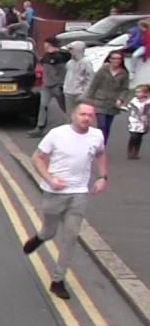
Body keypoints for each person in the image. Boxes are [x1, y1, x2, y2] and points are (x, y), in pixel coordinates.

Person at [22, 101, 108, 300]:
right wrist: (50, 179)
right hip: (55, 193)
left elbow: (101, 154)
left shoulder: (96, 136)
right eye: (82, 114)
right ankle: (41, 237)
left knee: (71, 237)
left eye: (90, 115)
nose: (86, 118)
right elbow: (37, 158)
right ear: (73, 115)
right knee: (50, 231)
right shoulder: (57, 134)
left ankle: (58, 280)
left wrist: (102, 177)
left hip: (79, 193)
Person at [28, 37, 71, 138]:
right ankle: (40, 127)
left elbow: (63, 72)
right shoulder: (46, 55)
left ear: (49, 44)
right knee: (43, 106)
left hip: (56, 86)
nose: (44, 45)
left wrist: (61, 84)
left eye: (45, 43)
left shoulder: (59, 57)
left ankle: (73, 123)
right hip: (46, 86)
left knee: (64, 106)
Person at [84, 49, 129, 143]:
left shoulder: (124, 73)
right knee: (102, 125)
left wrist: (121, 99)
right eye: (114, 58)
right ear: (109, 59)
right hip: (100, 101)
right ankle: (97, 144)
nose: (116, 60)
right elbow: (94, 85)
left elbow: (125, 89)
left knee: (107, 127)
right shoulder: (103, 70)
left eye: (119, 59)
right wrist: (88, 99)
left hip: (113, 103)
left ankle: (102, 145)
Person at [63, 41, 95, 112]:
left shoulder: (86, 62)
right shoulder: (70, 62)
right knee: (70, 114)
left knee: (79, 113)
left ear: (78, 50)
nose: (70, 51)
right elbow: (67, 77)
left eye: (72, 49)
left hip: (79, 93)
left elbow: (90, 79)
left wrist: (85, 93)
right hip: (68, 92)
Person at [126, 84, 150, 159]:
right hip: (134, 120)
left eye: (139, 92)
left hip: (144, 121)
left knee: (139, 136)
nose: (137, 94)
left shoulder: (148, 101)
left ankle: (136, 151)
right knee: (133, 135)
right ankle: (130, 150)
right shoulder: (134, 100)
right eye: (136, 92)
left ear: (146, 93)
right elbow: (129, 107)